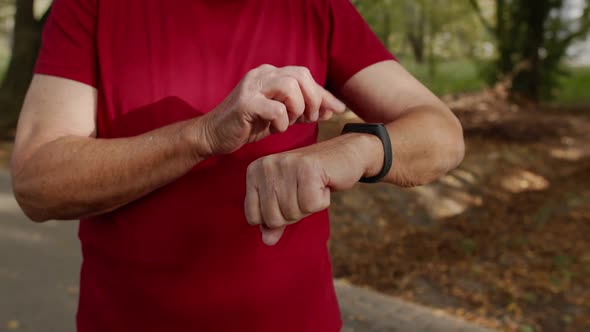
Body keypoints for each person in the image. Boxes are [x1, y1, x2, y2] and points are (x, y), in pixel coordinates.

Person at [10, 0, 464, 331]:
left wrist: (352, 150)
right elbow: (36, 180)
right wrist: (203, 136)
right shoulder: (91, 7)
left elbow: (441, 134)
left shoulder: (317, 7)